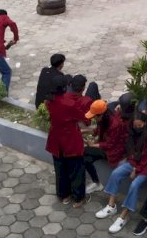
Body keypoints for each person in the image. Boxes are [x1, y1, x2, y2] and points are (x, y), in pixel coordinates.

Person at [96, 111, 147, 232]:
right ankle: (111, 206)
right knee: (116, 174)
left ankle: (123, 217)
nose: (137, 128)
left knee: (134, 185)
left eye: (139, 126)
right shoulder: (131, 133)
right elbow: (130, 151)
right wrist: (133, 164)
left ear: (145, 123)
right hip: (133, 162)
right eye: (135, 126)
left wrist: (136, 170)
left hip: (145, 166)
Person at [45, 76, 88, 208]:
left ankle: (64, 195)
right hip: (70, 140)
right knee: (76, 170)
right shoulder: (69, 103)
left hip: (55, 139)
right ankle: (78, 198)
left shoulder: (49, 101)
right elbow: (84, 119)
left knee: (60, 169)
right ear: (65, 87)